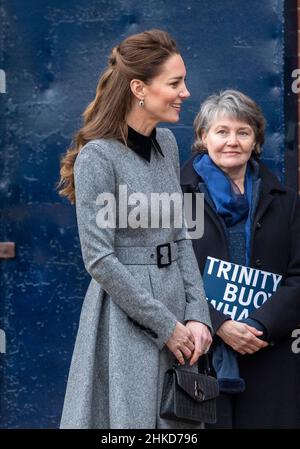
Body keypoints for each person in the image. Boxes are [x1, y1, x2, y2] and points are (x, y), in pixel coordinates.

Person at [58, 29, 212, 429]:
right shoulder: (97, 157)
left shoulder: (168, 144)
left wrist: (197, 316)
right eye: (175, 83)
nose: (186, 92)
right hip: (126, 320)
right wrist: (166, 326)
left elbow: (179, 237)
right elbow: (100, 260)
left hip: (178, 310)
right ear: (139, 88)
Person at [181, 89, 300, 428]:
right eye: (222, 131)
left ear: (255, 141)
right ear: (204, 138)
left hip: (268, 356)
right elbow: (165, 275)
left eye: (243, 132)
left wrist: (260, 325)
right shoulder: (177, 199)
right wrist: (219, 324)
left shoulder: (286, 202)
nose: (232, 141)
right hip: (198, 357)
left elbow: (298, 275)